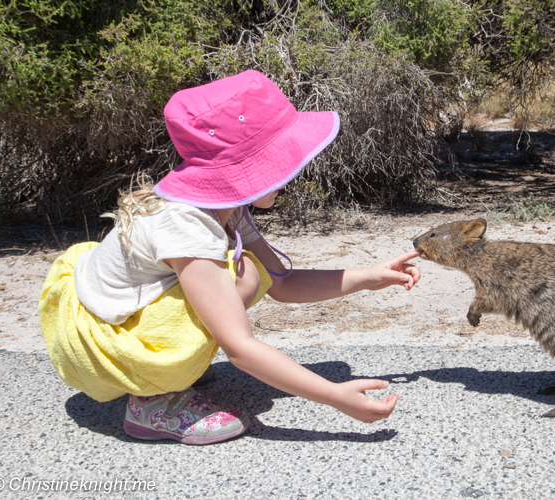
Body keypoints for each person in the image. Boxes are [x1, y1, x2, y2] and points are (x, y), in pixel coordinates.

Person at [38, 70, 421, 445]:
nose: (293, 170)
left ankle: (169, 369)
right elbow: (239, 347)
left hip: (112, 317)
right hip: (94, 347)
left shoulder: (227, 208)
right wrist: (334, 396)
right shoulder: (186, 223)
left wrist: (368, 276)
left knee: (249, 274)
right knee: (243, 276)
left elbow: (283, 283)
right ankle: (154, 403)